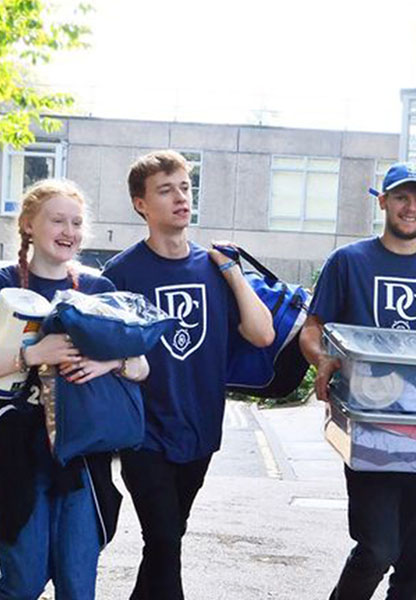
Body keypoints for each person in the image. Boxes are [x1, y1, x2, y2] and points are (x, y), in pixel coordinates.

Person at [0, 178, 148, 599]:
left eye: (76, 223)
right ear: (28, 225)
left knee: (77, 583)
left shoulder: (98, 289)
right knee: (24, 580)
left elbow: (141, 365)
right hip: (16, 447)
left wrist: (107, 361)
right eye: (57, 220)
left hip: (84, 450)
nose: (69, 231)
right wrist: (32, 355)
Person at [299, 162, 416, 600]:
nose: (411, 207)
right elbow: (313, 327)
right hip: (371, 431)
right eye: (401, 197)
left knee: (415, 569)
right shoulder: (349, 262)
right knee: (376, 550)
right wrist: (322, 360)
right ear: (382, 201)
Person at [101, 150, 274, 599]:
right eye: (166, 190)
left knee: (166, 540)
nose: (180, 198)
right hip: (143, 432)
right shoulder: (119, 274)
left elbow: (262, 334)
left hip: (199, 428)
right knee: (163, 540)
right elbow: (103, 348)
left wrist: (234, 275)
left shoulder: (214, 268)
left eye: (185, 187)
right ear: (141, 203)